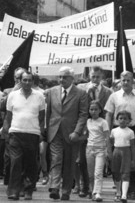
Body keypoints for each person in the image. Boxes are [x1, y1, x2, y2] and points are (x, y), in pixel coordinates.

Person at [105, 71, 135, 200]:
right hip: (117, 130)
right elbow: (109, 115)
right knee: (118, 161)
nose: (125, 82)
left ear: (133, 81)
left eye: (128, 80)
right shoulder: (114, 96)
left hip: (134, 130)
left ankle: (133, 190)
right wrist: (108, 133)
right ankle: (120, 190)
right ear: (120, 81)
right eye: (123, 80)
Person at [45, 66, 88, 201]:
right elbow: (48, 112)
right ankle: (55, 187)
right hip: (55, 131)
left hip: (71, 134)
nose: (61, 79)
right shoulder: (52, 92)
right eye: (60, 77)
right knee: (56, 159)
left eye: (64, 77)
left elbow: (83, 115)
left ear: (72, 78)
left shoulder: (81, 94)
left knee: (69, 163)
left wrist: (77, 132)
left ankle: (66, 191)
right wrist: (46, 130)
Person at [3, 71, 45, 200]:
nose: (27, 83)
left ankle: (28, 190)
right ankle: (14, 191)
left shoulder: (40, 96)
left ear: (33, 82)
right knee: (15, 162)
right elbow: (8, 116)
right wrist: (6, 130)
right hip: (15, 133)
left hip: (32, 134)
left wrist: (41, 133)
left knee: (30, 163)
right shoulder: (12, 95)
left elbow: (42, 117)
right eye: (24, 80)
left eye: (29, 80)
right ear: (20, 81)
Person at [76, 66, 112, 196]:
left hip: (99, 129)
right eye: (93, 77)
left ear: (102, 77)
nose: (95, 79)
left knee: (96, 161)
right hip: (84, 126)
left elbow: (108, 111)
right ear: (89, 76)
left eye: (98, 77)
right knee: (81, 160)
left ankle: (94, 188)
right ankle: (82, 186)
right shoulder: (81, 88)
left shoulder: (108, 92)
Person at [0, 67, 27, 185]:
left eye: (22, 78)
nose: (19, 80)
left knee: (25, 157)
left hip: (27, 128)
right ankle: (10, 179)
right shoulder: (8, 91)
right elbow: (1, 106)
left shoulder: (33, 91)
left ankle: (24, 181)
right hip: (11, 128)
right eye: (17, 78)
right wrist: (14, 91)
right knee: (10, 157)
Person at [109, 110, 135, 203]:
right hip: (116, 151)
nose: (123, 120)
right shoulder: (113, 131)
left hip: (126, 152)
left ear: (129, 121)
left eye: (125, 119)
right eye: (120, 118)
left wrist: (133, 160)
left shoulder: (130, 132)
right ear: (117, 120)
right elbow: (111, 143)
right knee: (116, 172)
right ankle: (118, 192)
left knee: (125, 173)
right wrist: (109, 153)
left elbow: (132, 147)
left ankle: (124, 195)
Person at [86, 100, 110, 202]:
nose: (93, 111)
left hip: (100, 149)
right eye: (91, 109)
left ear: (100, 110)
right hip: (89, 148)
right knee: (91, 174)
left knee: (98, 172)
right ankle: (92, 191)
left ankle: (98, 192)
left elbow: (107, 137)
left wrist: (108, 150)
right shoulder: (88, 121)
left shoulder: (103, 122)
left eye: (96, 109)